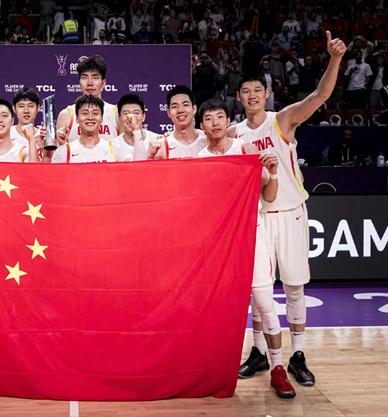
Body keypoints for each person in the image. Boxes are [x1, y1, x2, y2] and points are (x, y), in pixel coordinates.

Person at [233, 31, 347, 386]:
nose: (252, 95)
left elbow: (319, 96)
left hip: (291, 213)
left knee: (294, 287)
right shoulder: (235, 134)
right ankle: (259, 351)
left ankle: (297, 354)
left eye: (257, 90)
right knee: (259, 290)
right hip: (256, 218)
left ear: (266, 94)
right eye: (246, 91)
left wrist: (335, 59)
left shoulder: (281, 120)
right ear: (238, 97)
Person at [197, 100, 294, 398]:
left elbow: (269, 196)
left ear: (229, 121)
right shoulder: (200, 159)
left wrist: (273, 173)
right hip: (219, 242)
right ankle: (216, 369)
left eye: (220, 117)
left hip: (252, 235)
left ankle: (278, 368)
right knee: (218, 308)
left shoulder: (245, 150)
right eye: (209, 118)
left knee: (264, 303)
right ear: (202, 126)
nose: (215, 122)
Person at [52, 95, 142, 164]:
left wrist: (137, 131)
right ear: (77, 119)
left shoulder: (115, 148)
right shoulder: (64, 151)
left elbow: (139, 167)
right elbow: (54, 178)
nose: (90, 117)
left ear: (102, 118)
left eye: (95, 113)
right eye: (85, 113)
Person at [56, 55, 119, 144]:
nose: (90, 83)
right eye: (84, 77)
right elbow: (59, 150)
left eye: (95, 77)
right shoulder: (67, 115)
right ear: (79, 82)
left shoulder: (116, 114)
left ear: (103, 83)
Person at [148, 86, 206, 160]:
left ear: (194, 109)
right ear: (168, 113)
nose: (180, 110)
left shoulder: (208, 140)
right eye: (175, 106)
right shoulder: (161, 146)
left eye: (185, 105)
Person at [111, 94, 161, 161]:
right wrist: (136, 130)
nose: (131, 117)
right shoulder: (113, 146)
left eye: (136, 113)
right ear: (119, 118)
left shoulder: (157, 140)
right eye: (126, 113)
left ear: (143, 117)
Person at [11, 87, 43, 160]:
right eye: (21, 106)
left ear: (38, 108)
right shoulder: (6, 135)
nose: (26, 111)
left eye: (31, 106)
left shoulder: (42, 137)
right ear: (14, 109)